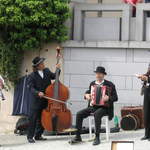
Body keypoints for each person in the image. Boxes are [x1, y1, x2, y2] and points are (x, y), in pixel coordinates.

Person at [71, 66, 118, 146]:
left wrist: (108, 98)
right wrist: (86, 95)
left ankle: (97, 137)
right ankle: (78, 136)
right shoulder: (92, 84)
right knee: (79, 114)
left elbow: (115, 97)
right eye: (97, 73)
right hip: (93, 107)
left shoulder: (110, 84)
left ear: (103, 75)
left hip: (105, 108)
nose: (98, 75)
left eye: (100, 74)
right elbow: (88, 92)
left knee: (97, 113)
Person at [27, 56, 60, 143]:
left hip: (45, 100)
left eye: (43, 63)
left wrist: (58, 69)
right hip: (36, 101)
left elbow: (54, 77)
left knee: (43, 119)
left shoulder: (47, 71)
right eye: (41, 63)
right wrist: (38, 93)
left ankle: (38, 135)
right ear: (37, 66)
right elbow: (31, 88)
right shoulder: (32, 76)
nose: (43, 64)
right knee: (33, 119)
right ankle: (30, 137)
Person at [136, 64, 150, 141]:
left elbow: (147, 77)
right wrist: (141, 77)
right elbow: (146, 76)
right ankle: (147, 134)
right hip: (147, 94)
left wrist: (146, 78)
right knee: (146, 114)